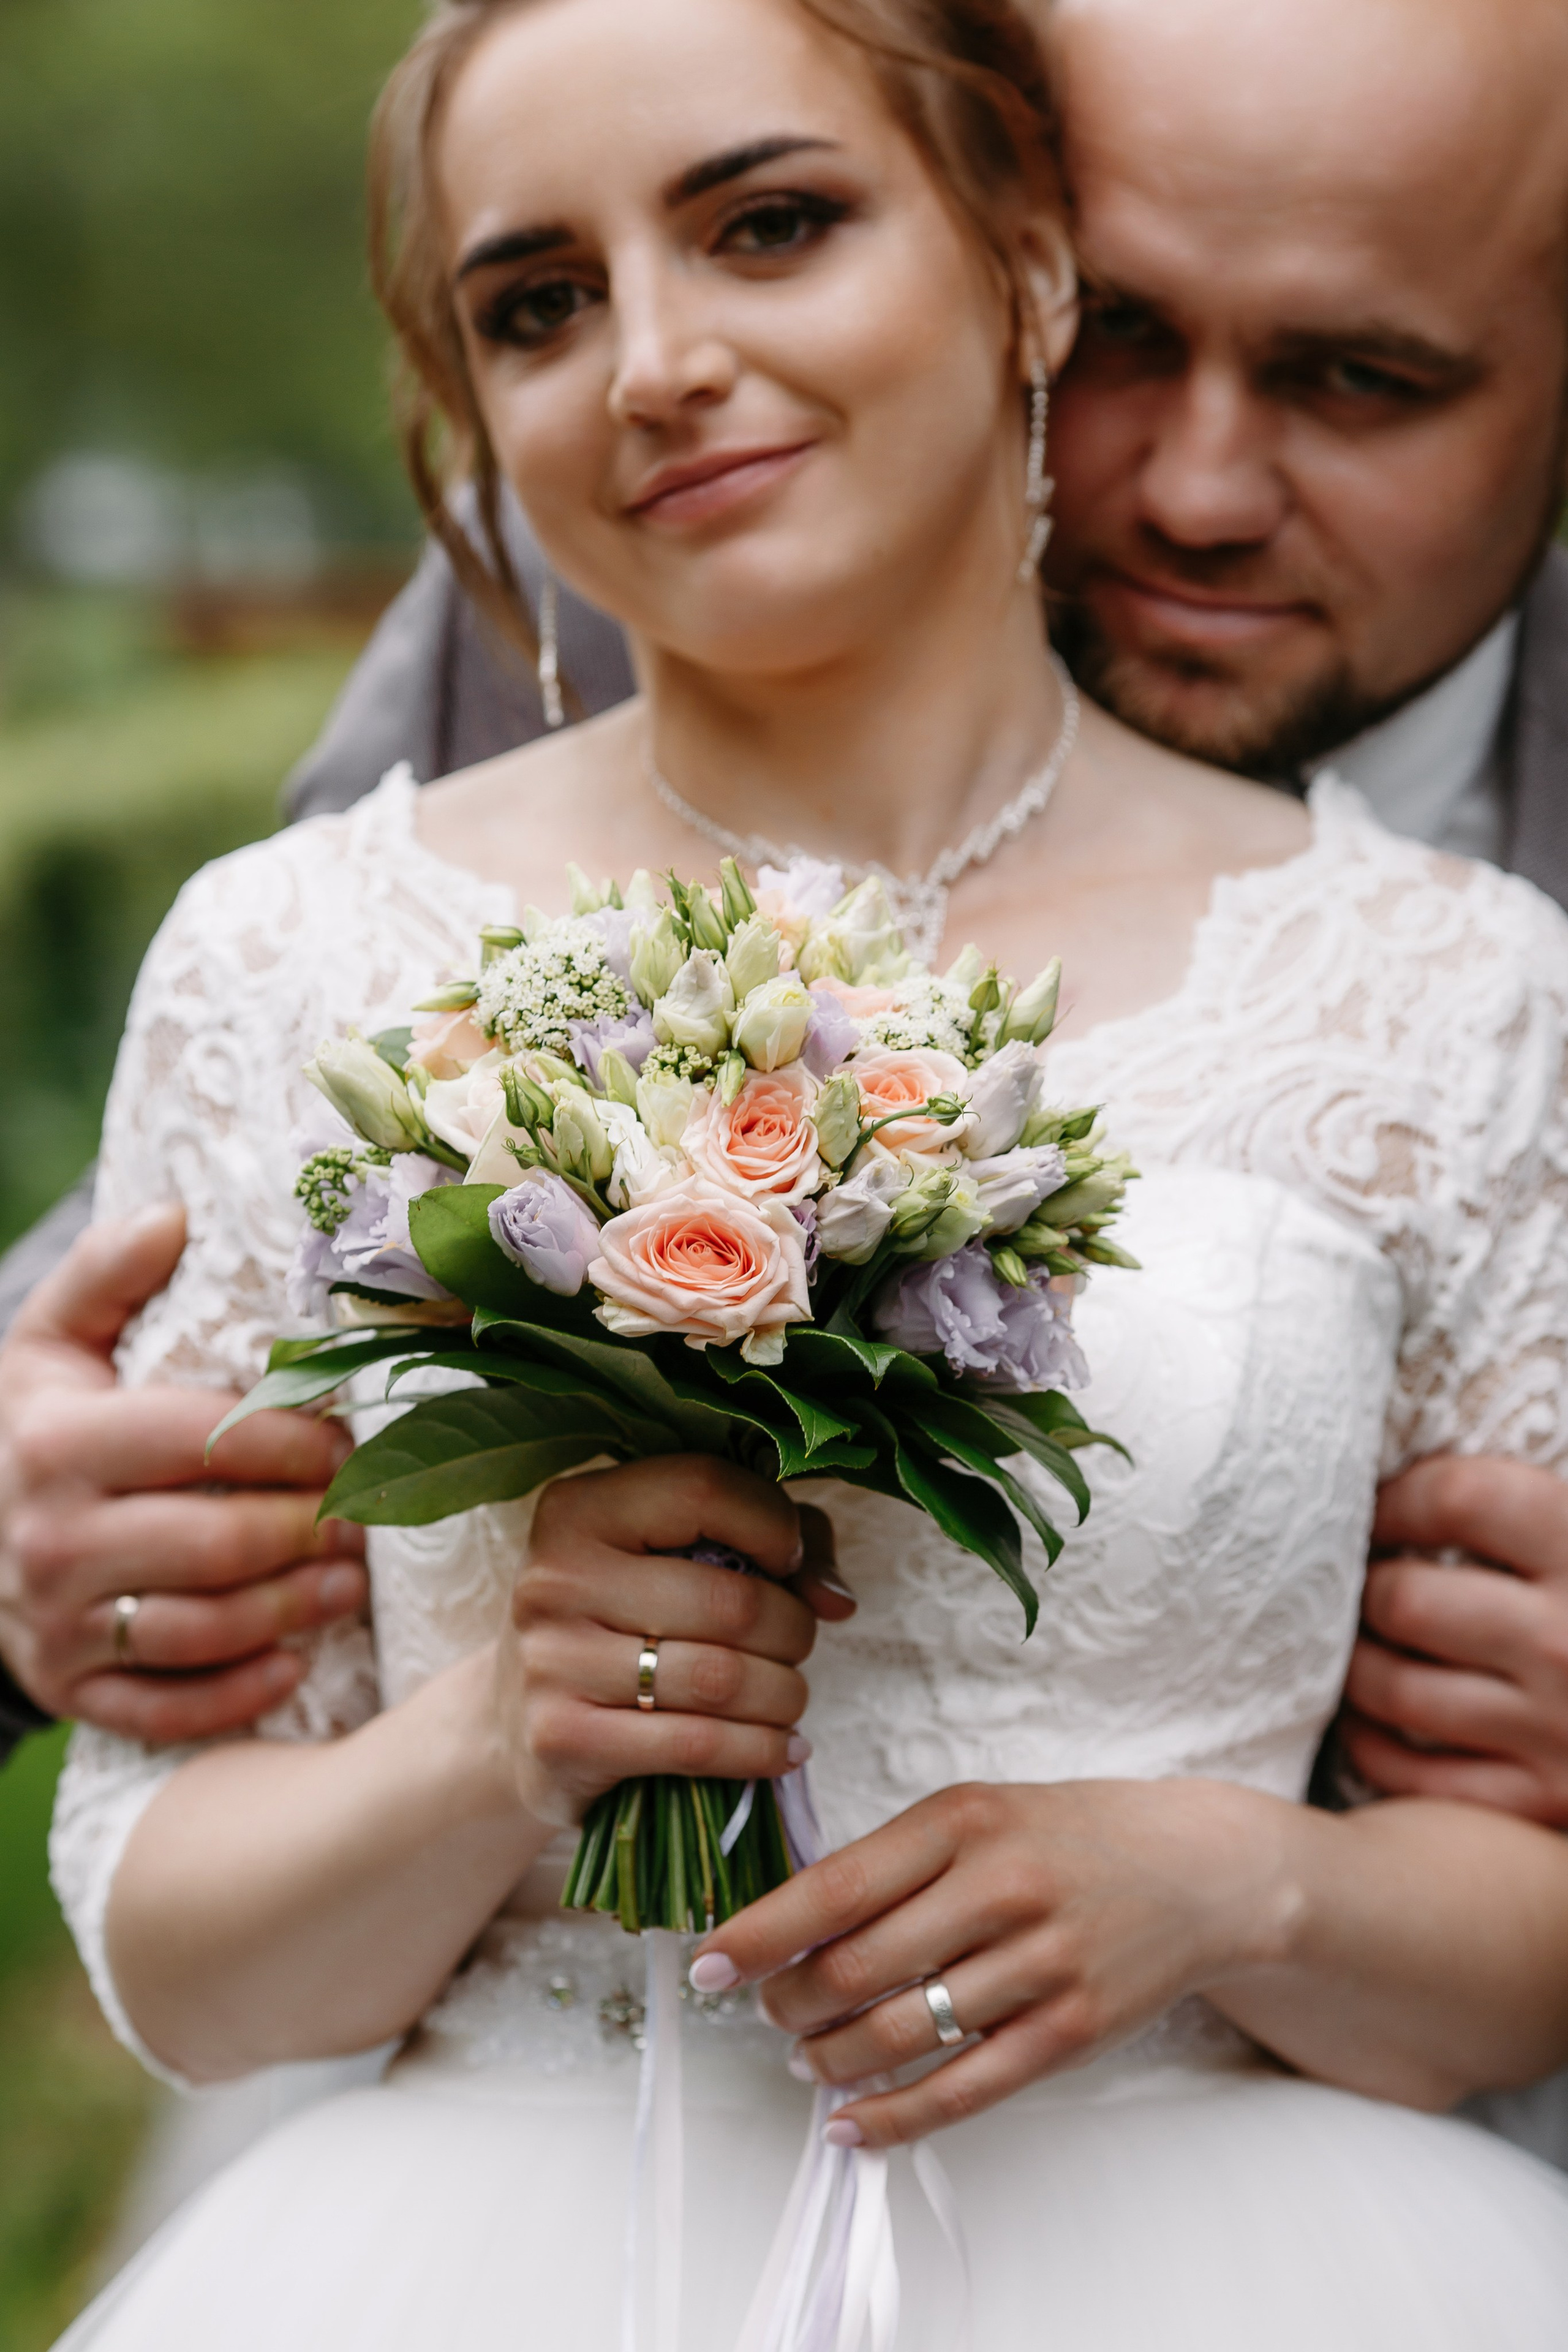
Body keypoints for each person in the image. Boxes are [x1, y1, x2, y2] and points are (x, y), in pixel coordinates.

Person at [40, 0, 1568, 2345]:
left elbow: (1521, 1926)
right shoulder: (301, 956)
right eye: (535, 301)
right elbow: (182, 1936)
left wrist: (1241, 1891)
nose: (653, 361)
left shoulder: (1448, 987)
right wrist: (493, 1743)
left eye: (772, 224)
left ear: (1031, 267)